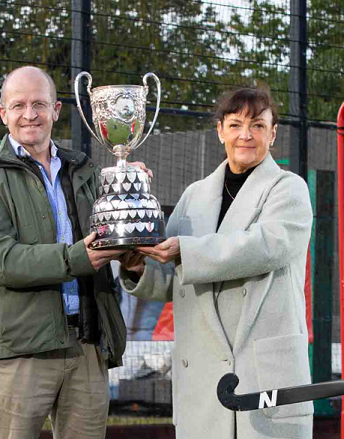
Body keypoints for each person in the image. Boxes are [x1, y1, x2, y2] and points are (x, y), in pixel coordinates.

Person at [119, 86, 314, 438]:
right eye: (236, 124)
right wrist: (137, 266)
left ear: (272, 134)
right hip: (204, 381)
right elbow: (172, 277)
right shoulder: (193, 195)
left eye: (257, 125)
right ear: (220, 131)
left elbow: (265, 246)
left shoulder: (289, 188)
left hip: (263, 376)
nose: (245, 135)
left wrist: (185, 250)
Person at [0, 66, 132, 439]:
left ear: (56, 110)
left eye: (39, 104)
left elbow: (114, 238)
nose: (30, 114)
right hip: (21, 351)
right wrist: (76, 259)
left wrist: (128, 190)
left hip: (88, 345)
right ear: (2, 113)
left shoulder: (86, 170)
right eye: (18, 105)